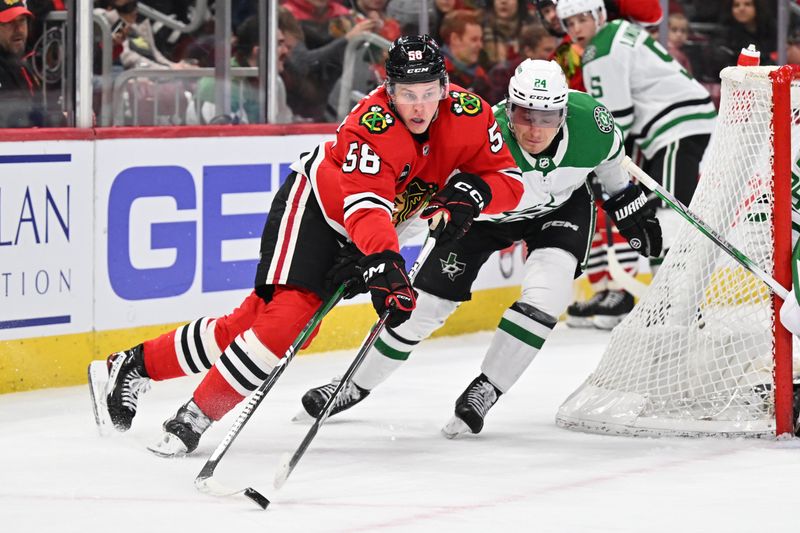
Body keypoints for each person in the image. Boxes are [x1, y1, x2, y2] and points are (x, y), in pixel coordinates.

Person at [88, 35, 524, 456]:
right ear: (388, 89)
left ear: (445, 88)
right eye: (406, 93)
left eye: (428, 92)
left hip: (375, 230)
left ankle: (134, 364)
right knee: (289, 321)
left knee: (256, 322)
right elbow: (365, 208)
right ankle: (194, 418)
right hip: (319, 211)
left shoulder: (471, 114)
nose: (418, 104)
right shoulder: (371, 125)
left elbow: (510, 180)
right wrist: (384, 259)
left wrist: (473, 194)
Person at [299, 59, 662, 437]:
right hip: (480, 221)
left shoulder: (593, 123)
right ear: (509, 106)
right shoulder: (481, 132)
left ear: (565, 113)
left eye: (548, 117)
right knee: (421, 308)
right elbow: (419, 198)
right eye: (524, 114)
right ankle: (353, 384)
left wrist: (625, 200)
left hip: (559, 212)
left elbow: (611, 163)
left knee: (547, 294)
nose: (535, 129)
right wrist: (374, 250)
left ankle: (487, 388)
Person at [557, 0, 714, 327]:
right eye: (569, 23)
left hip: (675, 128)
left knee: (668, 216)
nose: (576, 29)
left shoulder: (599, 51)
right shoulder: (618, 31)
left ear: (599, 15)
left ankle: (680, 306)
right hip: (679, 124)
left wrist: (602, 162)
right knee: (663, 215)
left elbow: (617, 119)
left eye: (582, 19)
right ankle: (673, 302)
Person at [0, 0, 45, 128]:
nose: (18, 29)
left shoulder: (22, 65)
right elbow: (12, 116)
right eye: (9, 22)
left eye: (22, 21)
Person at [439, 9, 491, 102]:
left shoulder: (481, 77)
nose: (480, 45)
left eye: (480, 39)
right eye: (474, 40)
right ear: (455, 39)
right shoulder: (436, 75)